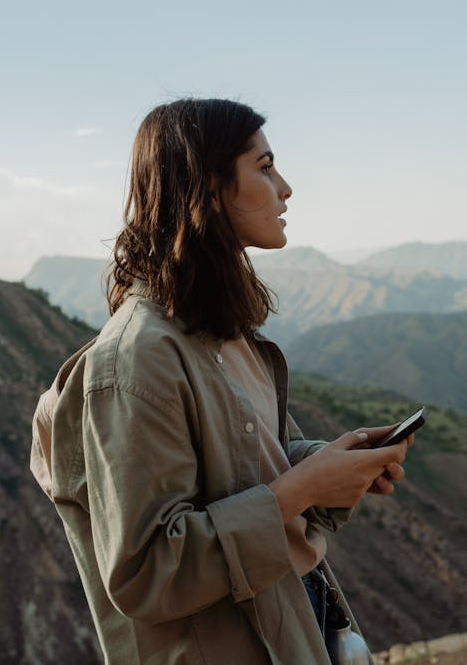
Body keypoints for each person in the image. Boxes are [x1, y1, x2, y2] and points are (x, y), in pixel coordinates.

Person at [30, 98, 412, 665]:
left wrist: (337, 460)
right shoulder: (138, 360)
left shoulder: (217, 330)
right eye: (264, 167)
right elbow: (145, 574)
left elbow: (243, 467)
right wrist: (305, 488)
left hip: (288, 620)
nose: (285, 188)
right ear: (209, 188)